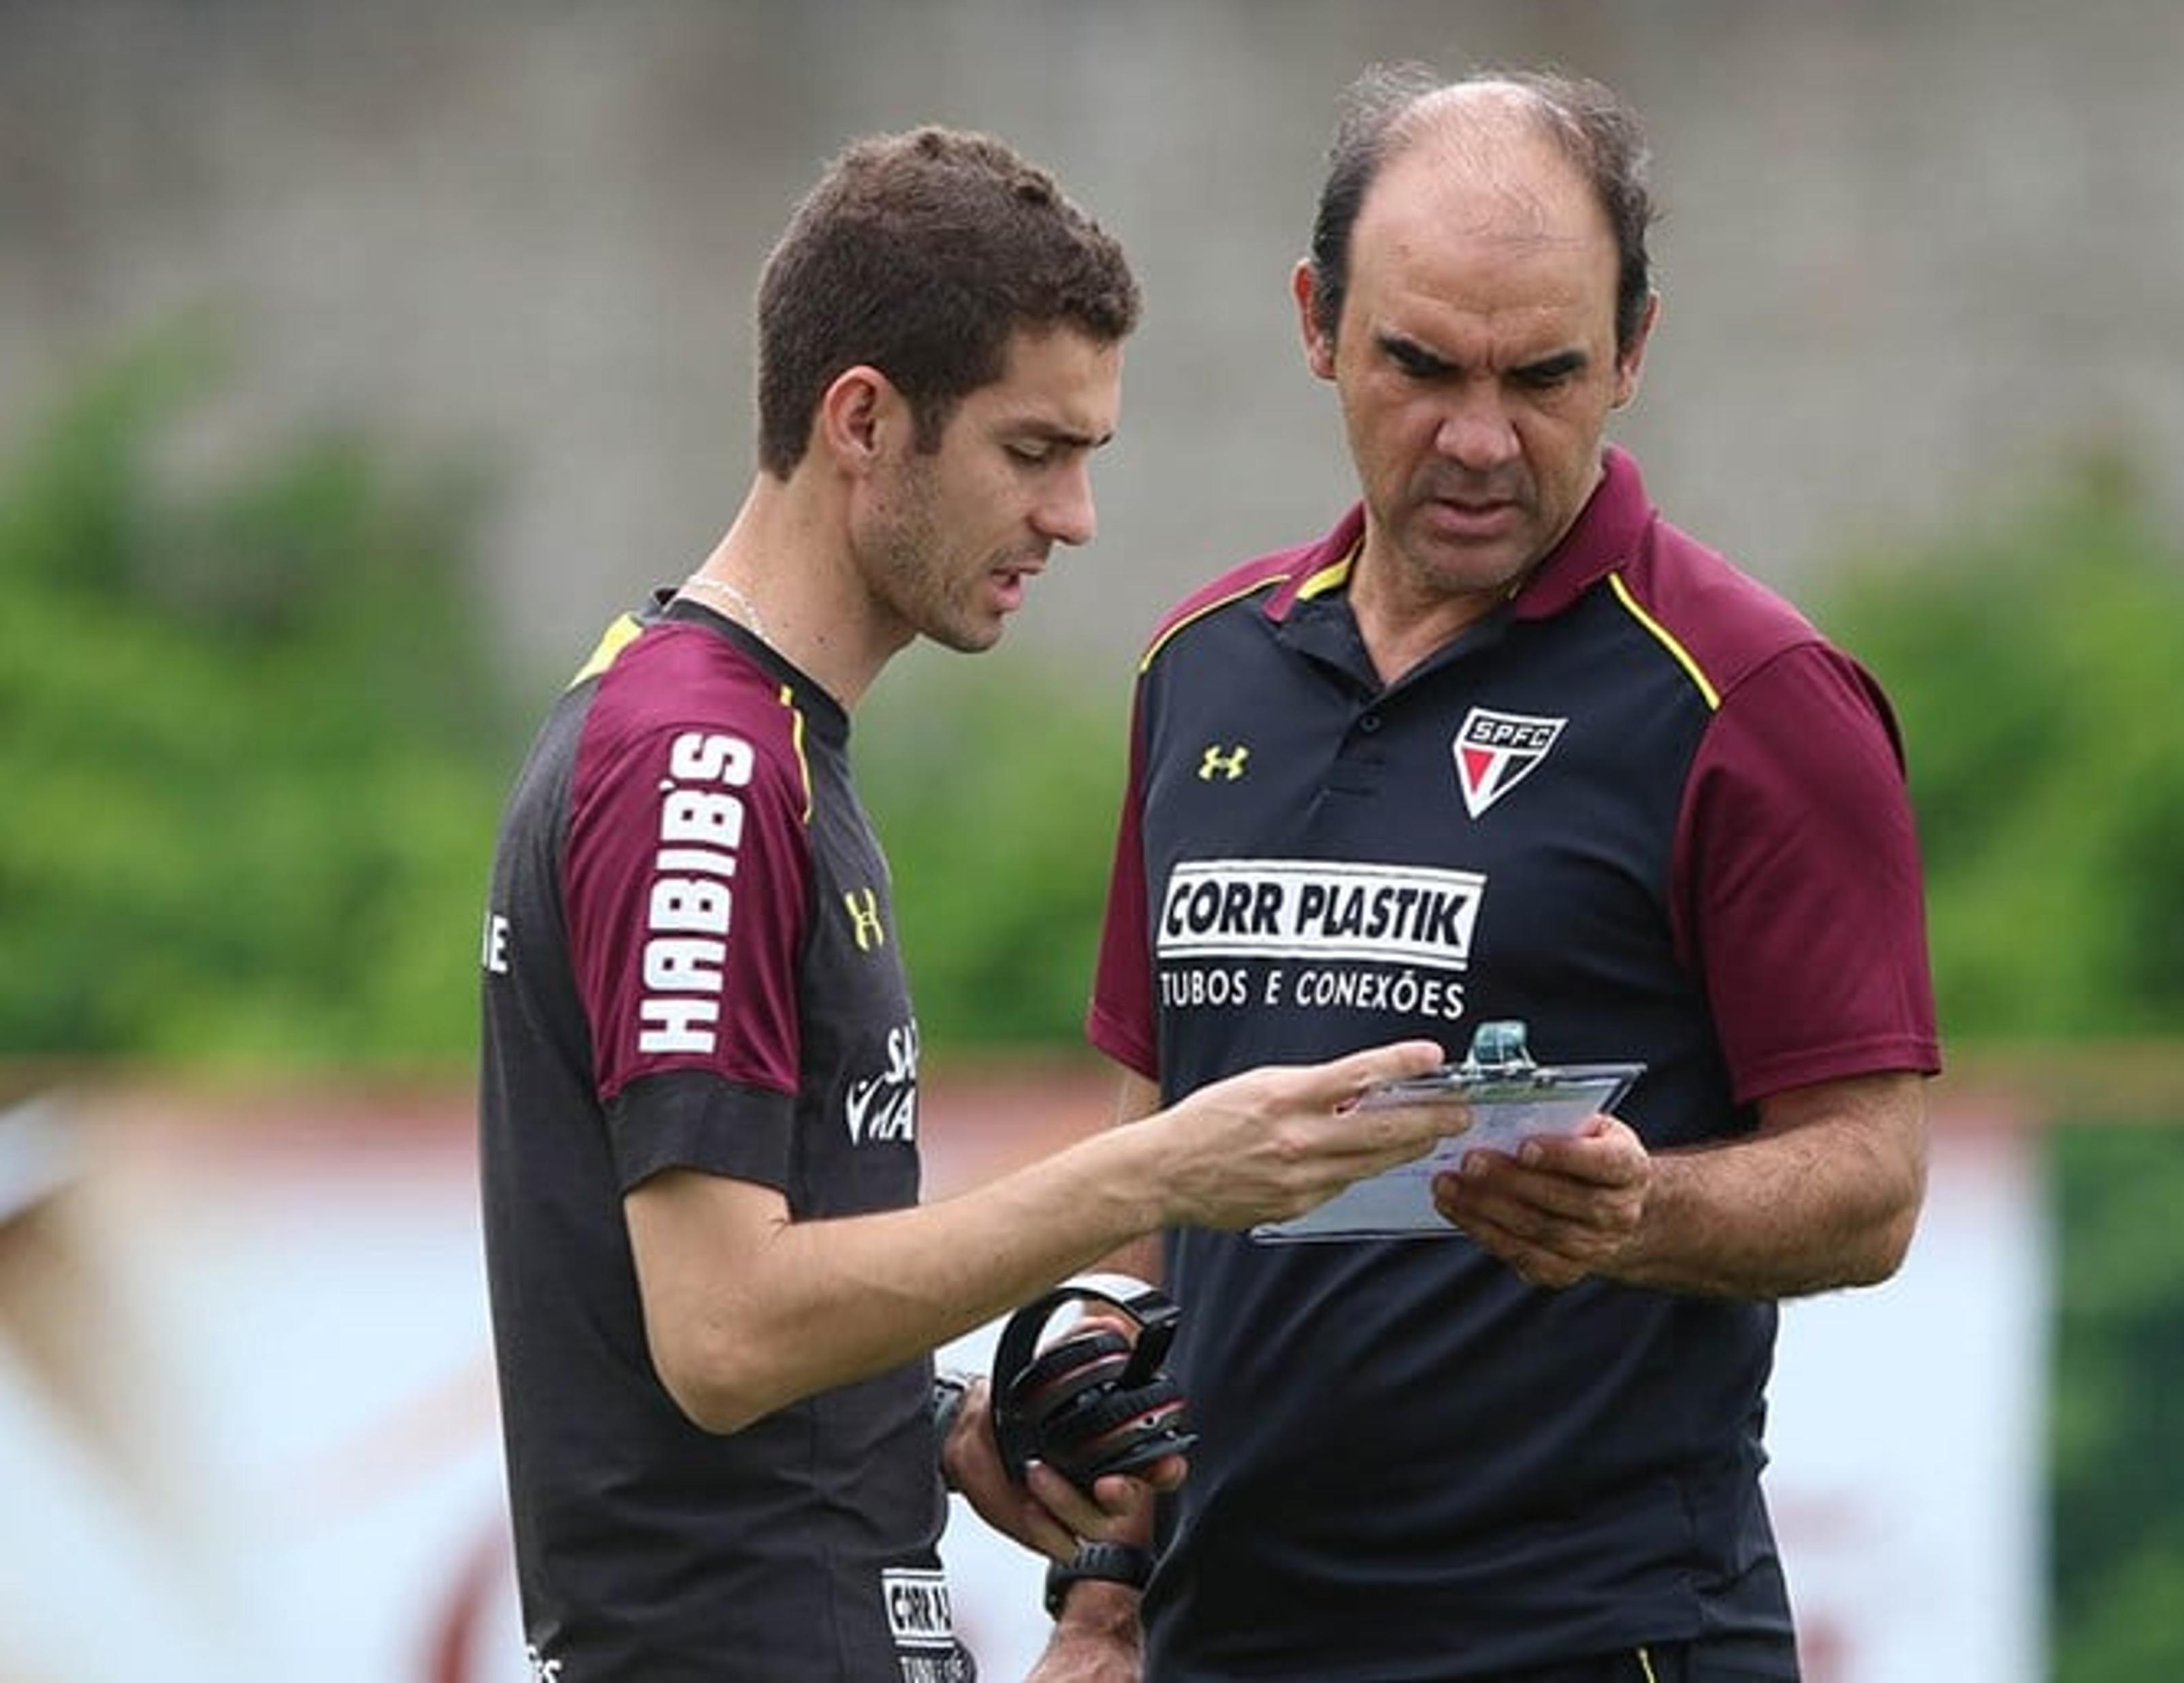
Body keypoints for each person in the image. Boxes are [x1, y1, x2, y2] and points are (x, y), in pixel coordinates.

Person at [475, 127, 1468, 1683]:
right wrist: (1160, 1169)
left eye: (1087, 458)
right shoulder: (703, 766)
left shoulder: (759, 738)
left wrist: (933, 1419)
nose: (1073, 517)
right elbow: (721, 1332)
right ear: (863, 419)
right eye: (1032, 451)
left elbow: (732, 1290)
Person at [1061, 65, 1942, 1682]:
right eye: (1419, 365)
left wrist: (1638, 1211)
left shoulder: (1756, 699)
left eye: (1542, 374)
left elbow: (1872, 1182)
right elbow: (1153, 1172)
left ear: (1635, 351)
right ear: (1317, 321)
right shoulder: (1200, 667)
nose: (1478, 440)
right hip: (1224, 1646)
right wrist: (1108, 1599)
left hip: (1588, 1641)